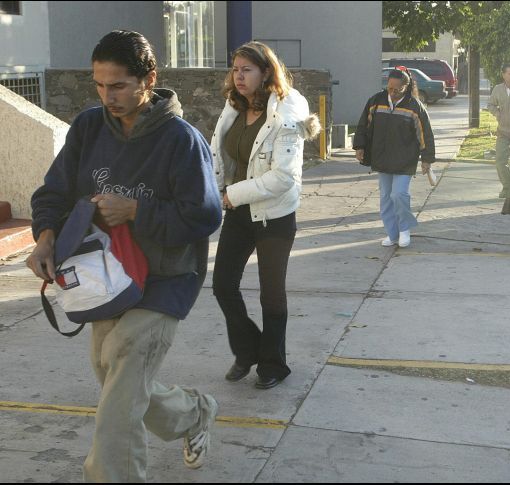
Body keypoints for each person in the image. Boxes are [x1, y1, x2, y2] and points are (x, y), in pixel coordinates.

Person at [26, 30, 222, 482]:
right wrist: (46, 236)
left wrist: (137, 209)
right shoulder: (89, 126)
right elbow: (53, 191)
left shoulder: (181, 139)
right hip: (104, 277)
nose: (106, 95)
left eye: (117, 85)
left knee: (119, 389)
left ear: (148, 80)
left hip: (165, 279)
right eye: (99, 84)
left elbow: (205, 216)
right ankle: (193, 414)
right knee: (116, 380)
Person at [211, 41, 320, 390]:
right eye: (235, 69)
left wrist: (232, 194)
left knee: (271, 294)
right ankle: (248, 350)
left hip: (274, 215)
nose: (239, 76)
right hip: (239, 212)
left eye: (247, 70)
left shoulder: (285, 115)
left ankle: (273, 364)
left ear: (265, 72)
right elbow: (220, 156)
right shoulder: (234, 108)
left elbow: (283, 177)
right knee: (223, 285)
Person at [353, 67, 436, 248]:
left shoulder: (415, 106)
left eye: (396, 89)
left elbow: (425, 134)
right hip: (381, 158)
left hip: (405, 159)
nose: (392, 92)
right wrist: (359, 146)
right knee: (386, 199)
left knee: (399, 195)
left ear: (406, 87)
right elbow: (363, 126)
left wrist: (427, 159)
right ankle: (392, 234)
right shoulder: (376, 101)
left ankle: (404, 229)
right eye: (389, 88)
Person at [487, 63, 510, 198]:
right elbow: (490, 104)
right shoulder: (497, 89)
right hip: (503, 131)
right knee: (500, 162)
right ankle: (508, 187)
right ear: (503, 75)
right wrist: (497, 114)